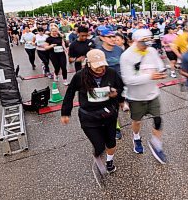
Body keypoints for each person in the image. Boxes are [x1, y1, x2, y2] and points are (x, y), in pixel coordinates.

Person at [61, 49, 124, 186]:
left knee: (111, 143)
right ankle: (97, 155)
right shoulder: (80, 76)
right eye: (97, 66)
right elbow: (70, 93)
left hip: (109, 114)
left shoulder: (111, 73)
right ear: (89, 64)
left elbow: (121, 87)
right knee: (99, 145)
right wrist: (65, 112)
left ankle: (109, 162)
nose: (101, 69)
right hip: (89, 117)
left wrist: (118, 97)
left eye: (103, 65)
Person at [120, 29, 168, 164]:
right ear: (136, 40)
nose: (148, 43)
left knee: (158, 120)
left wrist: (162, 71)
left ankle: (156, 144)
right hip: (136, 97)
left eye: (149, 40)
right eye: (144, 41)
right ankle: (136, 137)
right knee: (137, 121)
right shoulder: (126, 56)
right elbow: (128, 80)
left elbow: (159, 65)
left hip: (153, 94)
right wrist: (149, 76)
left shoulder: (151, 51)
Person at [99, 28, 125, 140]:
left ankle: (114, 124)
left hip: (119, 83)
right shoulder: (98, 52)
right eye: (109, 37)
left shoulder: (119, 49)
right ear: (102, 38)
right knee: (109, 106)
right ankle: (115, 128)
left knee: (116, 106)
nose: (113, 39)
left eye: (114, 36)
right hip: (105, 84)